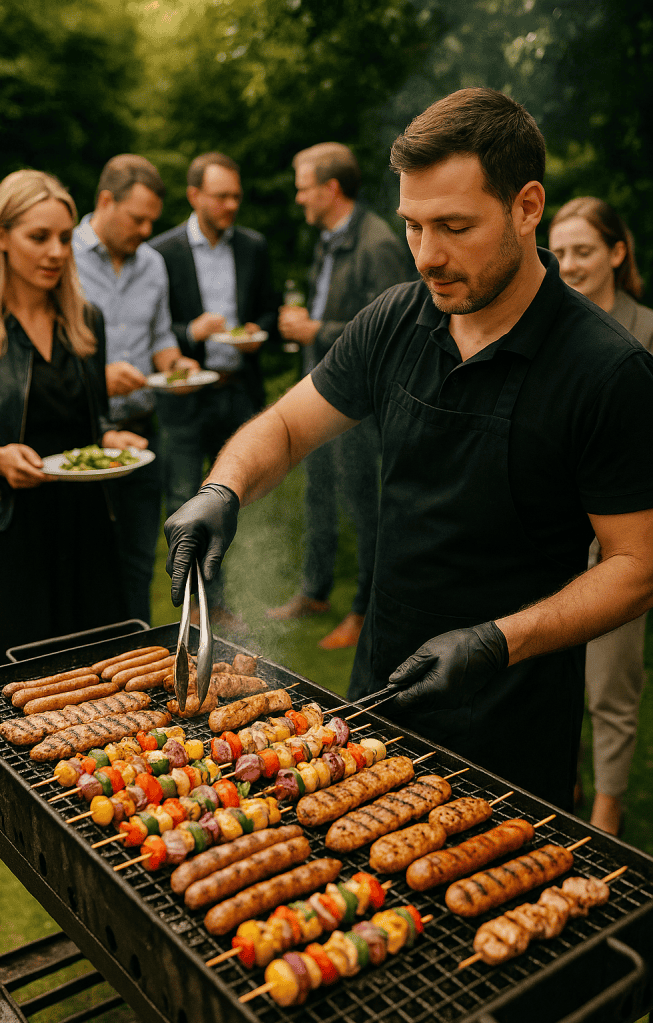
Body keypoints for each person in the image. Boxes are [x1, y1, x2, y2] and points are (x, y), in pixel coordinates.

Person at [163, 88, 653, 812]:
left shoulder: (605, 369)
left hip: (509, 726)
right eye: (413, 227)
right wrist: (223, 489)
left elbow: (636, 565)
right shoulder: (397, 317)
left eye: (454, 226)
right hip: (378, 698)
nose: (427, 256)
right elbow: (289, 426)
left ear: (526, 206)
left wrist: (494, 641)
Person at [0, 169, 145, 671]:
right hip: (8, 536)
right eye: (38, 237)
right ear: (0, 237)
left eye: (65, 238)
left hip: (86, 529)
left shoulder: (85, 321)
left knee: (99, 677)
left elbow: (87, 424)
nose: (55, 252)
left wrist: (110, 436)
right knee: (14, 690)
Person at [274, 142, 414, 649]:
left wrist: (316, 328)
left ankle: (365, 610)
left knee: (365, 503)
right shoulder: (329, 239)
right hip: (321, 395)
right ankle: (314, 591)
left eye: (303, 187)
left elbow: (393, 328)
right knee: (318, 494)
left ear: (330, 189)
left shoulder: (376, 244)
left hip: (361, 406)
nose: (298, 198)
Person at [549, 196, 653, 834]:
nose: (568, 265)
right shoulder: (549, 331)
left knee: (610, 682)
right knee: (547, 668)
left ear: (617, 253)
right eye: (557, 253)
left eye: (583, 251)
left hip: (621, 541)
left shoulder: (646, 334)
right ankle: (565, 780)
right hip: (550, 533)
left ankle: (605, 812)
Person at [150, 152, 278, 629]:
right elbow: (156, 328)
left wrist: (253, 329)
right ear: (194, 195)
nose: (231, 205)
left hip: (240, 392)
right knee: (185, 499)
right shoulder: (161, 253)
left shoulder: (254, 246)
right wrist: (191, 333)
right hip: (186, 397)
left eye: (236, 197)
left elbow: (267, 314)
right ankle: (194, 606)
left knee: (231, 498)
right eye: (221, 196)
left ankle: (221, 602)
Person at [73, 154, 198, 626]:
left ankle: (134, 657)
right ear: (106, 201)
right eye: (137, 218)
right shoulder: (57, 256)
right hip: (81, 440)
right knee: (85, 566)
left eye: (152, 220)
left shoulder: (153, 264)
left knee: (139, 562)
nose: (147, 229)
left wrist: (176, 364)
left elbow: (160, 337)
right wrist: (98, 379)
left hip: (143, 435)